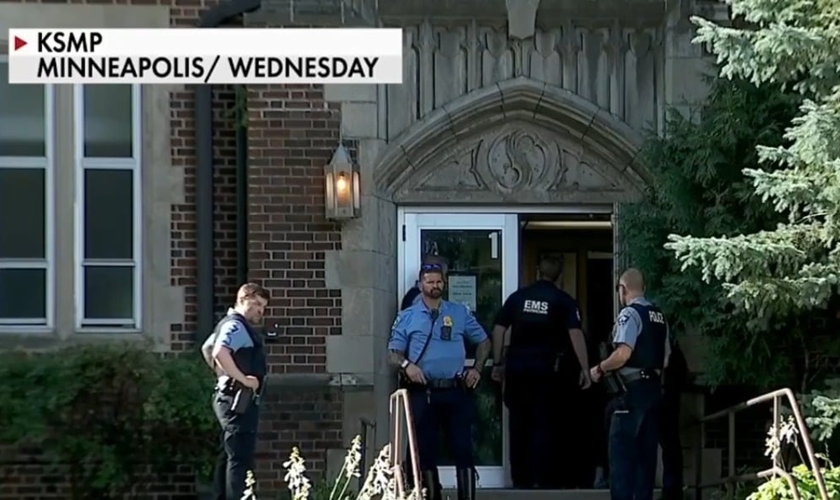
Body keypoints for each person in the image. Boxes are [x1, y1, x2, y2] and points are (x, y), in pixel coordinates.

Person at [387, 264, 491, 500]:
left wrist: (477, 369)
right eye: (429, 281)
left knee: (463, 449)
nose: (435, 286)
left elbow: (484, 341)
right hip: (424, 393)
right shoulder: (407, 317)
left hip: (455, 391)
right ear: (420, 284)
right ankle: (431, 496)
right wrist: (407, 366)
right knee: (425, 450)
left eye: (439, 281)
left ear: (445, 284)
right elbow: (392, 354)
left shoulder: (458, 312)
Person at [489, 255, 591, 489]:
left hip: (516, 371)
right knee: (544, 425)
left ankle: (520, 479)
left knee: (518, 425)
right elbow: (575, 334)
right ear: (560, 275)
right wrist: (585, 368)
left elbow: (499, 327)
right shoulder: (563, 300)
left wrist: (497, 363)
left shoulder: (518, 298)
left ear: (537, 271)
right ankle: (543, 479)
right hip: (546, 372)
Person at [590, 269, 670, 500]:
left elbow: (623, 353)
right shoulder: (659, 316)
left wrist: (600, 368)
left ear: (622, 289)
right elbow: (666, 358)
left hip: (631, 393)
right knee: (646, 458)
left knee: (622, 457)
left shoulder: (629, 314)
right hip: (654, 391)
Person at [201, 283, 270, 500]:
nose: (261, 310)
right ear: (243, 299)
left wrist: (222, 376)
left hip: (230, 398)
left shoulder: (227, 324)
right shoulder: (236, 326)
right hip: (237, 401)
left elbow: (207, 348)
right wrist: (242, 379)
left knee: (229, 456)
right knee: (239, 461)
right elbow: (220, 352)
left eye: (263, 307)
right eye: (257, 304)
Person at [661, 339, 689, 500]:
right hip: (670, 396)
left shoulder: (670, 352)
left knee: (669, 445)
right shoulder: (673, 350)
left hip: (665, 395)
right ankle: (672, 488)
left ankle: (672, 488)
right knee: (670, 445)